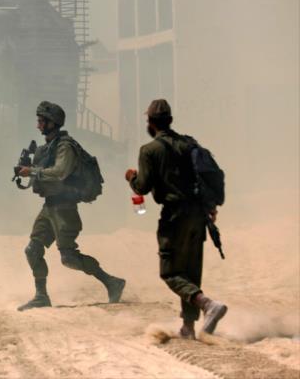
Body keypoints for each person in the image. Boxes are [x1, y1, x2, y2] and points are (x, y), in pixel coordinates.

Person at [125, 99, 228, 338]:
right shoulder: (189, 144)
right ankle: (188, 327)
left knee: (170, 272)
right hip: (199, 215)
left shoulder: (149, 151)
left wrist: (131, 177)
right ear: (170, 120)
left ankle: (207, 305)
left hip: (174, 215)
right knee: (190, 271)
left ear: (150, 123)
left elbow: (142, 187)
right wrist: (210, 205)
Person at [16, 101, 125, 311]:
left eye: (42, 121)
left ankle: (112, 282)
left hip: (65, 208)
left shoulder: (65, 146)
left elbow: (60, 172)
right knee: (33, 249)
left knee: (69, 257)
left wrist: (32, 172)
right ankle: (41, 295)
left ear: (52, 122)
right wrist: (29, 171)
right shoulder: (48, 147)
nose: (38, 125)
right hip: (50, 207)